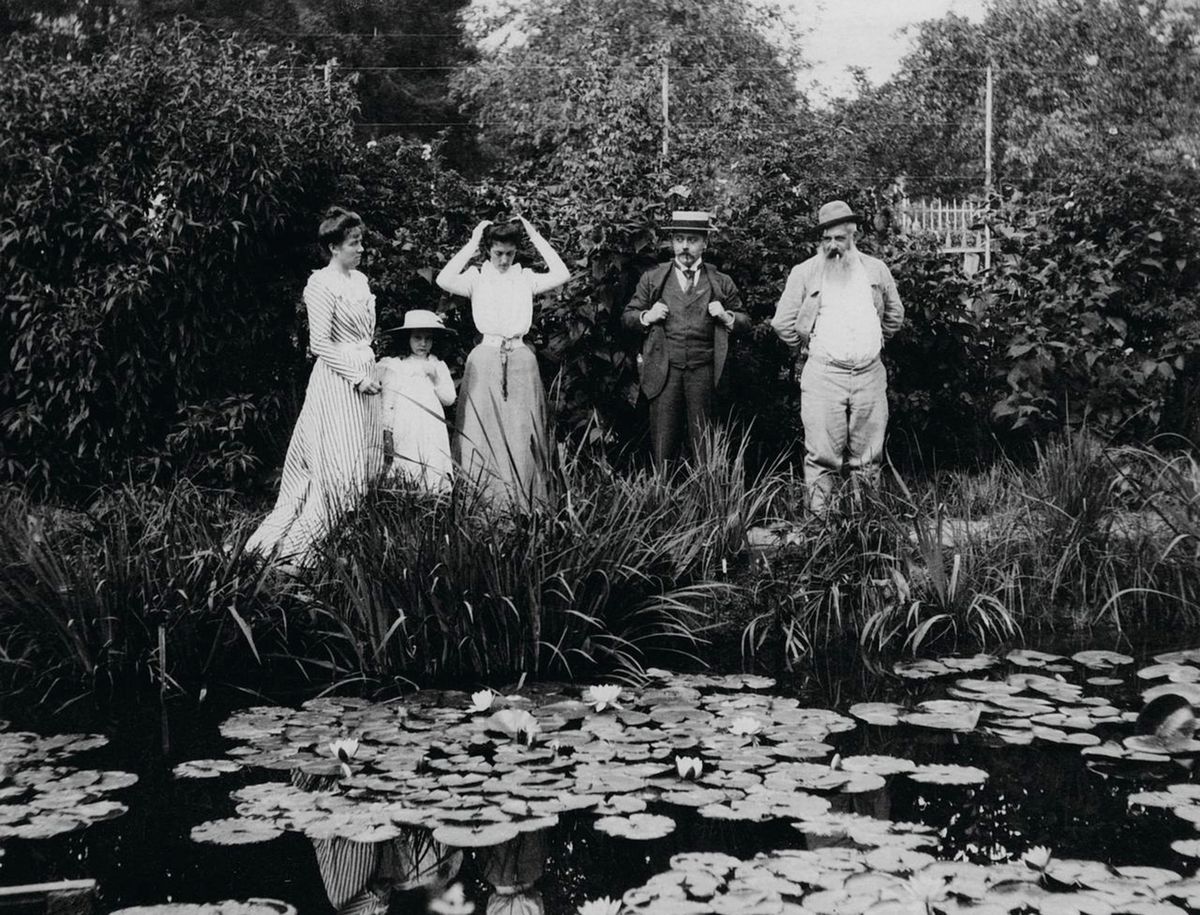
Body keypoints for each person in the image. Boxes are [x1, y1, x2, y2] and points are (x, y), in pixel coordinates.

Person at [247, 207, 382, 564]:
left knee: (362, 467)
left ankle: (338, 545)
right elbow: (320, 344)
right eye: (354, 243)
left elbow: (364, 336)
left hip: (364, 375)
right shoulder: (320, 284)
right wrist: (357, 378)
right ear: (334, 247)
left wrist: (369, 369)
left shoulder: (361, 281)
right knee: (338, 469)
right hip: (339, 383)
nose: (361, 249)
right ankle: (294, 554)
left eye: (361, 242)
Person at [770, 200, 904, 513]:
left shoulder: (875, 270)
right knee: (821, 457)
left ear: (853, 235)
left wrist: (875, 340)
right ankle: (821, 529)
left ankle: (866, 528)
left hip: (870, 375)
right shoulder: (805, 272)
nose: (833, 246)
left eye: (839, 239)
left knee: (868, 458)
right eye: (826, 239)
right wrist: (808, 347)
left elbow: (895, 314)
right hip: (824, 376)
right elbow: (782, 322)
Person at [436, 216, 570, 509]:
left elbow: (562, 273)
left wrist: (534, 234)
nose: (504, 259)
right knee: (480, 429)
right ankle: (482, 505)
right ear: (488, 251)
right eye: (498, 253)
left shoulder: (525, 278)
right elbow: (443, 279)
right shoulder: (476, 277)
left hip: (521, 360)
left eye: (510, 253)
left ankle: (525, 505)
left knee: (523, 429)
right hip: (485, 359)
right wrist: (471, 243)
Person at [621, 210, 749, 467]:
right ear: (672, 243)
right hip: (664, 372)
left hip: (704, 372)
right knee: (663, 446)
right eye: (679, 239)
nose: (685, 246)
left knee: (704, 445)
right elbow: (628, 317)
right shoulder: (654, 278)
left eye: (692, 240)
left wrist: (726, 316)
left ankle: (705, 501)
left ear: (705, 243)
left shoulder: (720, 281)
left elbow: (746, 321)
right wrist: (647, 315)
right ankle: (662, 500)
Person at [378, 309, 457, 493]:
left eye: (428, 338)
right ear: (407, 338)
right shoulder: (397, 365)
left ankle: (435, 499)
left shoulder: (437, 364)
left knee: (433, 458)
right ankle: (408, 500)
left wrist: (436, 378)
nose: (423, 343)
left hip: (431, 425)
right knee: (408, 459)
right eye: (417, 338)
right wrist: (387, 429)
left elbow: (449, 399)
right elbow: (388, 401)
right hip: (405, 423)